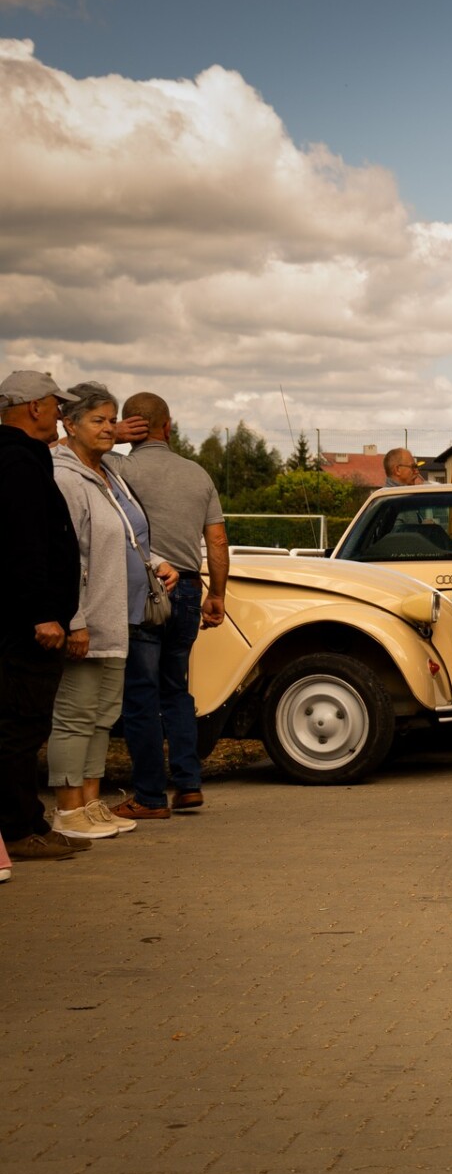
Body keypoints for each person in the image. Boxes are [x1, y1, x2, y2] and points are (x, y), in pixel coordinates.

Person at [50, 383, 178, 841]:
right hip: (89, 616)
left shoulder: (107, 473)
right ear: (70, 424)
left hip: (121, 613)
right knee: (76, 714)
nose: (109, 428)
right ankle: (67, 811)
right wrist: (75, 619)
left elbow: (129, 535)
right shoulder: (64, 477)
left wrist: (157, 560)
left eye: (111, 420)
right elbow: (67, 556)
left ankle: (90, 803)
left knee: (103, 714)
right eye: (98, 421)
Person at [117, 392, 228, 818]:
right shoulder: (197, 473)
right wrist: (216, 594)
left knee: (141, 694)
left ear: (130, 427)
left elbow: (65, 454)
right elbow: (216, 540)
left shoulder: (118, 467)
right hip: (187, 591)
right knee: (176, 689)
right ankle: (188, 784)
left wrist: (110, 440)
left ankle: (148, 796)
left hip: (142, 590)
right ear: (168, 426)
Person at [0, 371, 89, 866]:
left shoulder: (20, 457)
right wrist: (42, 614)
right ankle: (17, 829)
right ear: (33, 406)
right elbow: (23, 544)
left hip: (25, 620)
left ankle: (28, 821)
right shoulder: (17, 461)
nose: (60, 412)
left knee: (25, 725)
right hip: (27, 625)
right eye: (56, 404)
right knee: (20, 725)